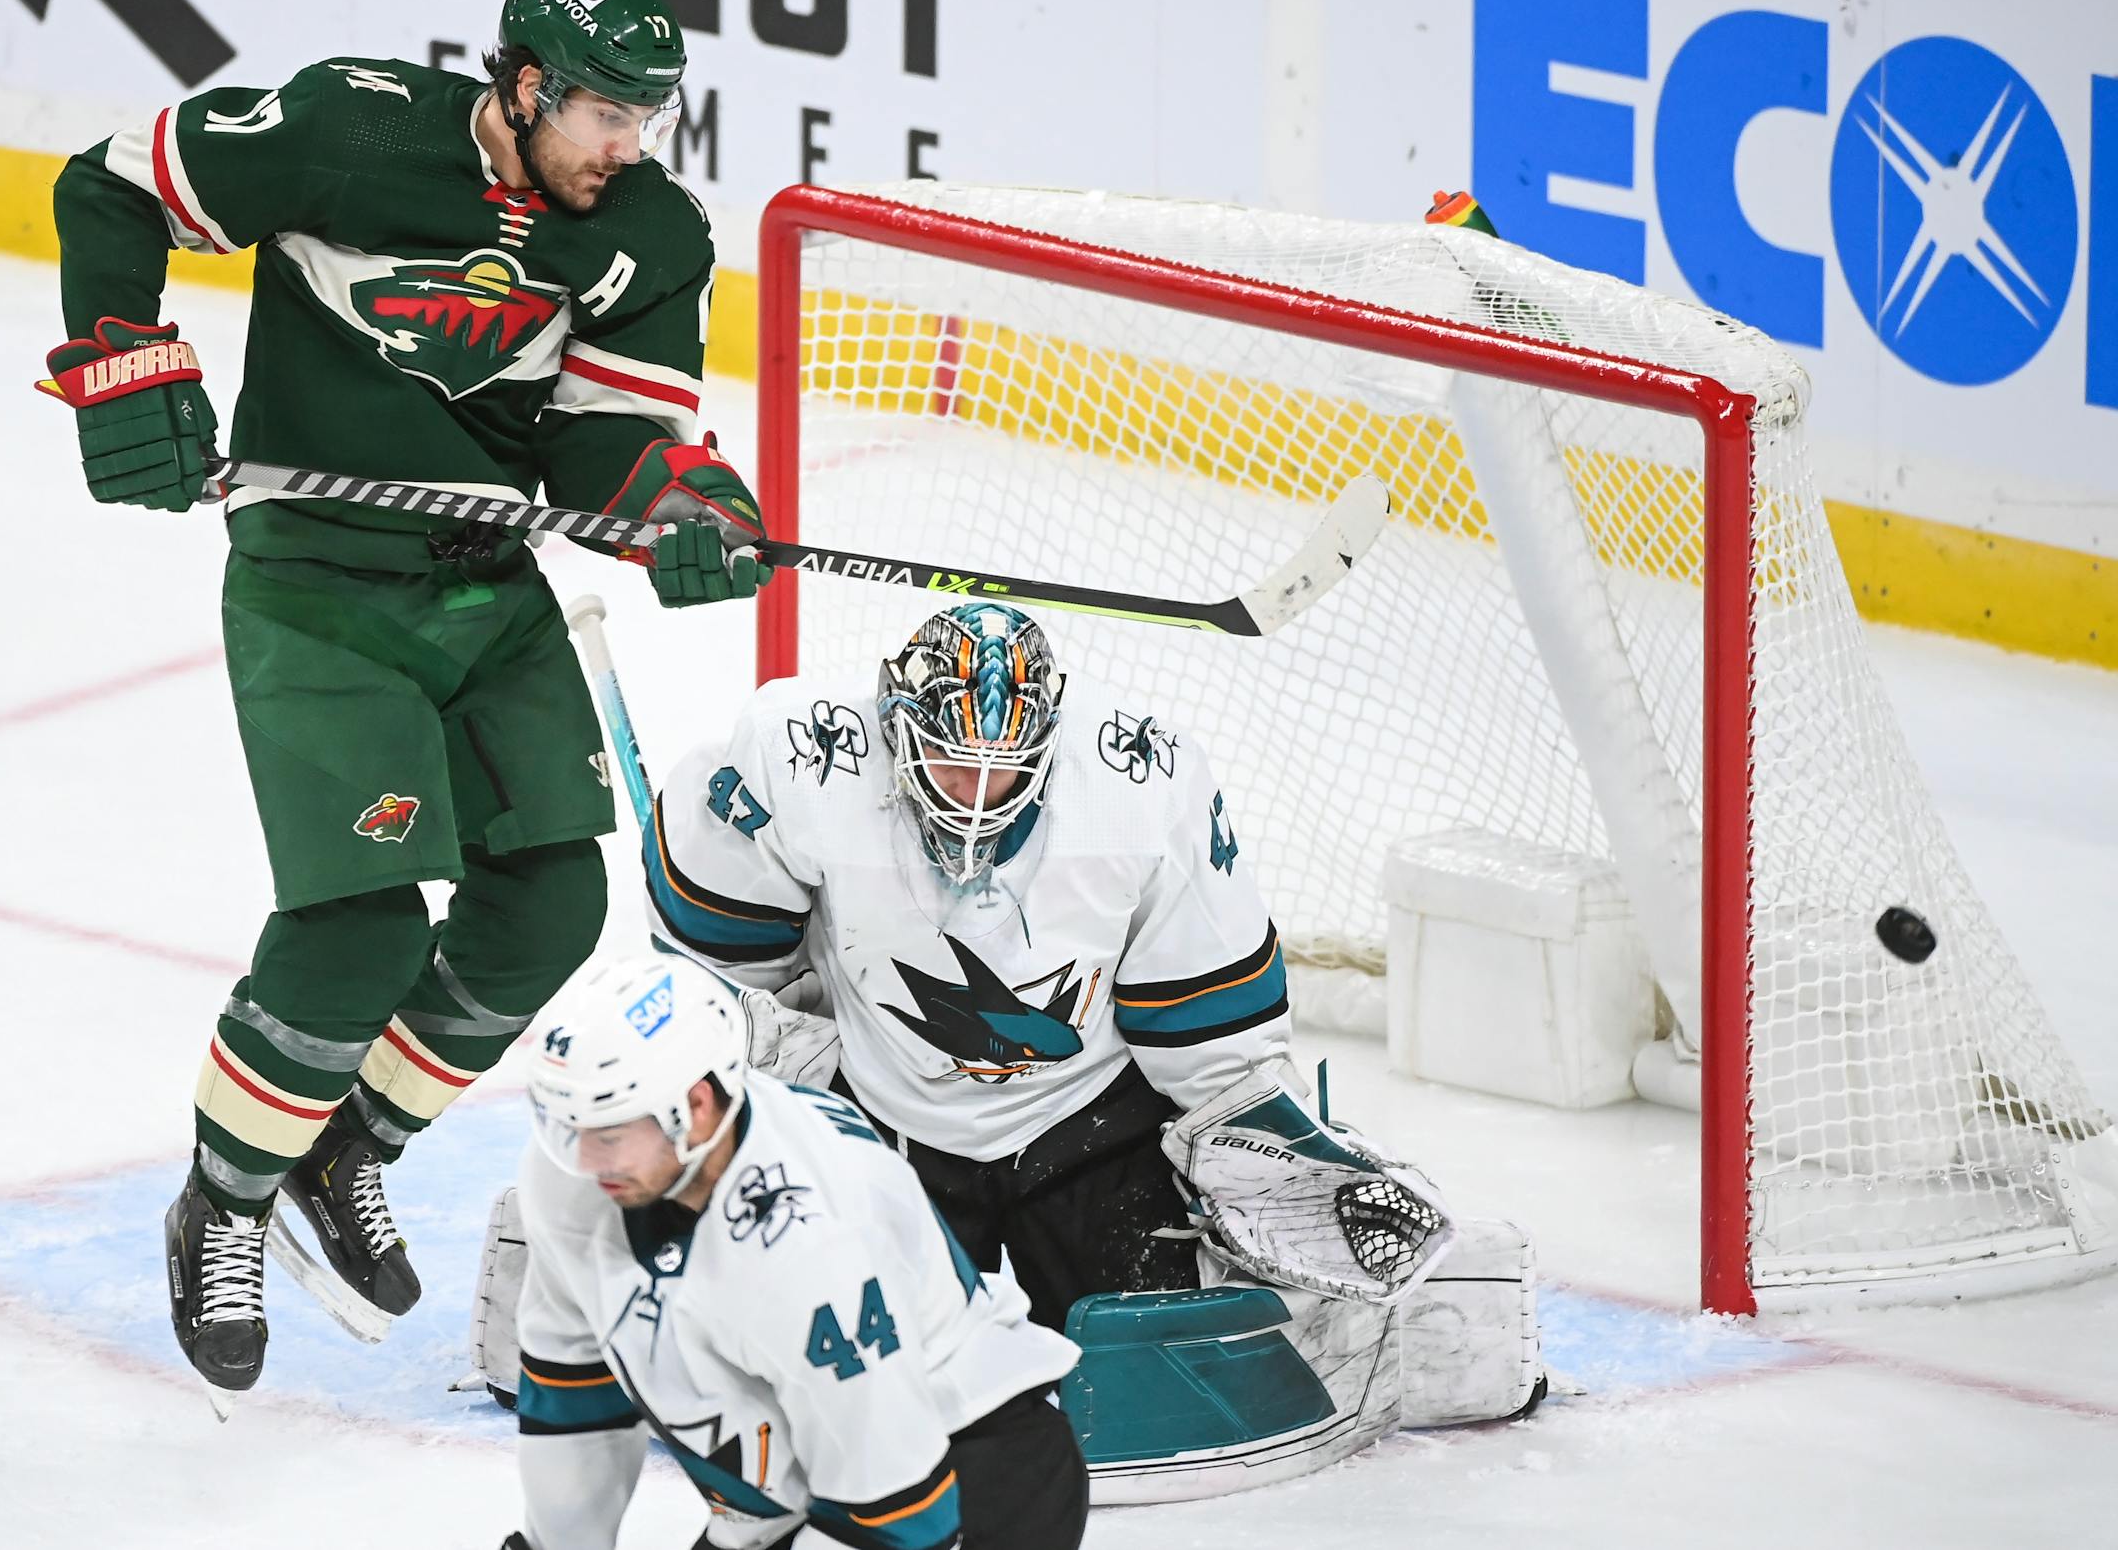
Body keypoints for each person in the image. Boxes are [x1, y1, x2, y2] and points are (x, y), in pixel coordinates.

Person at [38, 0, 769, 1404]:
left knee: (553, 897)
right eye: (604, 117)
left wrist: (681, 508)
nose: (628, 147)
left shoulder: (647, 231)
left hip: (485, 591)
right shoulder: (351, 132)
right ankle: (224, 1202)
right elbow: (107, 184)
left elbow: (601, 444)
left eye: (646, 118)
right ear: (521, 83)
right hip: (319, 589)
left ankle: (346, 1147)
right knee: (359, 929)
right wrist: (126, 360)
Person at [620, 604, 1542, 1495]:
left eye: (1002, 771)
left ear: (1049, 747)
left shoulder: (1141, 785)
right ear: (898, 729)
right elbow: (713, 978)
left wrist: (1257, 1137)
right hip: (883, 1127)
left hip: (1089, 1123)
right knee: (852, 1363)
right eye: (949, 763)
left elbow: (1208, 1018)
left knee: (1152, 1356)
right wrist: (774, 1073)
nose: (975, 797)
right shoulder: (801, 758)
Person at [500, 952, 1087, 1550]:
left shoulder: (810, 1245)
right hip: (789, 1485)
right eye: (566, 1130)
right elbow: (573, 1388)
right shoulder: (576, 1179)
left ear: (697, 1107)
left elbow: (900, 1508)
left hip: (958, 1469)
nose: (585, 1161)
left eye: (609, 1132)